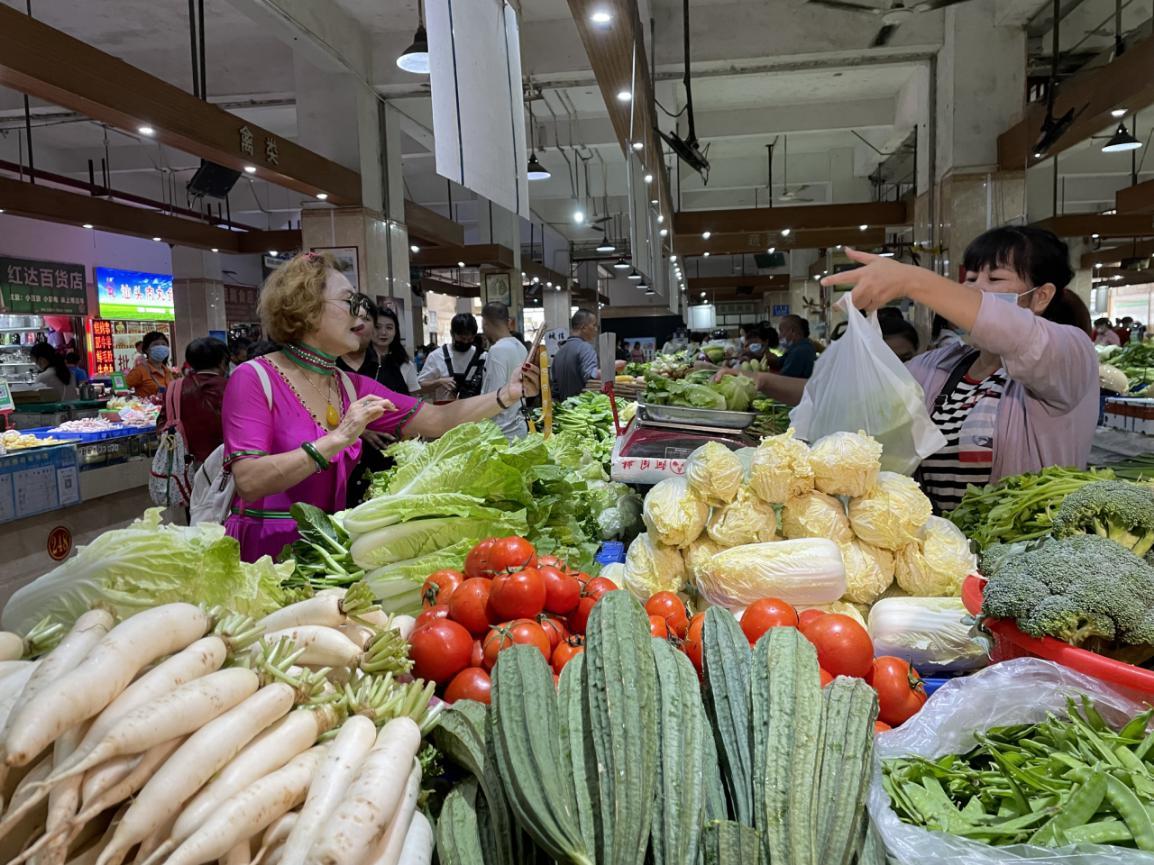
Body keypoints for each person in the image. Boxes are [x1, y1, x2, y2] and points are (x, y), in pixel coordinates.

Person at [221, 251, 540, 561]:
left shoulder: (349, 385)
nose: (361, 315)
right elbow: (249, 481)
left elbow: (437, 419)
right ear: (307, 308)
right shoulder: (255, 377)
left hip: (323, 549)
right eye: (350, 302)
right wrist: (337, 438)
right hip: (263, 551)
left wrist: (507, 394)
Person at [821, 225, 1097, 513]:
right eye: (972, 277)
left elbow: (1017, 332)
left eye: (995, 278)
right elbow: (854, 394)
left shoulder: (1069, 356)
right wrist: (770, 381)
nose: (976, 288)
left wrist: (912, 281)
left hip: (1025, 549)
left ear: (1041, 295)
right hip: (948, 550)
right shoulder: (941, 366)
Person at [157, 337, 229, 464]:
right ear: (222, 361)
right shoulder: (231, 386)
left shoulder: (175, 387)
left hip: (185, 461)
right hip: (224, 459)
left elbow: (163, 422)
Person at [480, 301, 529, 440]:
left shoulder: (497, 350)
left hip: (501, 433)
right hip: (520, 427)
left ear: (485, 323)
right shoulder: (520, 346)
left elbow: (493, 396)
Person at [417, 313, 482, 402]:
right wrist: (439, 382)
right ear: (452, 333)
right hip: (443, 411)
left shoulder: (481, 356)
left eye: (470, 339)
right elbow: (418, 387)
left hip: (474, 411)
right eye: (462, 338)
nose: (466, 342)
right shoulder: (436, 356)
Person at [552, 308, 600, 401]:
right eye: (594, 325)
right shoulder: (585, 348)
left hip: (565, 412)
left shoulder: (558, 353)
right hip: (583, 410)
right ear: (584, 327)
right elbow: (591, 376)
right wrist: (611, 367)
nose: (596, 329)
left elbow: (555, 389)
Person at [125, 331, 176, 398]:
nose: (161, 347)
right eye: (156, 344)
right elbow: (119, 389)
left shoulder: (167, 371)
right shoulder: (139, 371)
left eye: (164, 344)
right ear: (146, 349)